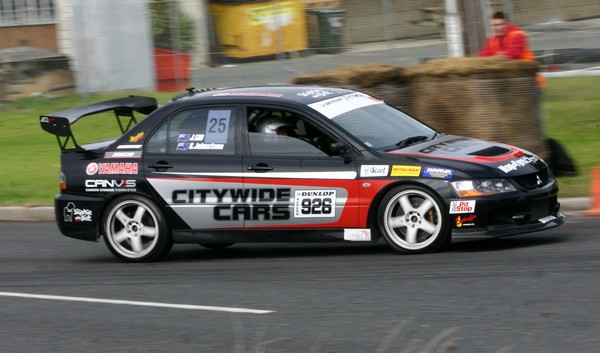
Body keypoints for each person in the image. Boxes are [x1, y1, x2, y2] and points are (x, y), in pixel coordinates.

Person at [479, 11, 546, 90]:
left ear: (507, 24)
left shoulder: (517, 34)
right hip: (508, 82)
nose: (498, 28)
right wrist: (497, 57)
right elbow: (482, 56)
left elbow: (513, 54)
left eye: (501, 24)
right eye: (494, 25)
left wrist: (493, 57)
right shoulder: (492, 40)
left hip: (528, 79)